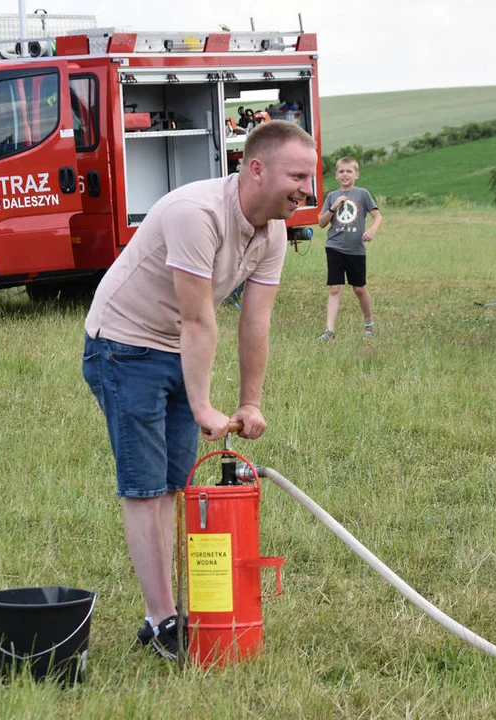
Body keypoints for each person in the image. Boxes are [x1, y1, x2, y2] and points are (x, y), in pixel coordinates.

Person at [81, 120, 317, 662]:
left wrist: (251, 401)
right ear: (256, 169)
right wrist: (204, 403)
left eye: (311, 175)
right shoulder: (197, 213)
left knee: (174, 484)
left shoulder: (274, 231)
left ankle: (165, 614)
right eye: (297, 175)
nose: (307, 188)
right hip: (124, 345)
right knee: (146, 487)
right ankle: (163, 620)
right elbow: (197, 319)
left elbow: (255, 321)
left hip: (174, 348)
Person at [317, 156, 382, 340]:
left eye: (349, 171)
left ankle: (369, 323)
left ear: (356, 175)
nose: (345, 175)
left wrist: (372, 230)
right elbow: (321, 223)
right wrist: (333, 208)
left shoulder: (362, 194)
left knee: (359, 288)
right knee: (335, 288)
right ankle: (329, 331)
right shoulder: (331, 196)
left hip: (356, 250)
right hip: (334, 247)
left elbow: (378, 217)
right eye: (341, 171)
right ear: (336, 175)